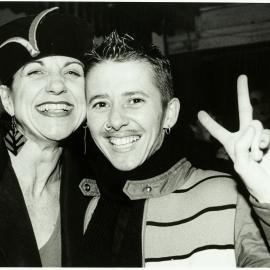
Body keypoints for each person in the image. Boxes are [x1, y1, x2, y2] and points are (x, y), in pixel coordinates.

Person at [79, 31, 270, 267]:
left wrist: (268, 198)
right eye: (100, 103)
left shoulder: (227, 197)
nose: (115, 120)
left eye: (135, 100)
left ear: (169, 114)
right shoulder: (94, 208)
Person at [0, 7, 93, 266]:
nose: (57, 85)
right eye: (36, 72)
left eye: (72, 72)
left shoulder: (97, 190)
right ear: (7, 99)